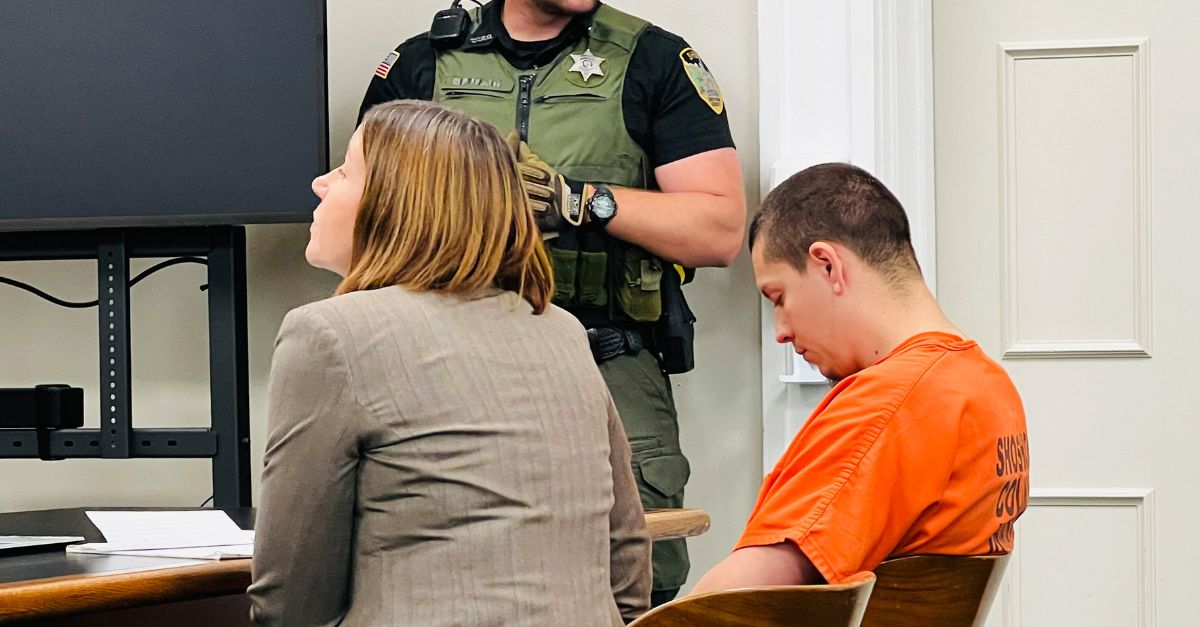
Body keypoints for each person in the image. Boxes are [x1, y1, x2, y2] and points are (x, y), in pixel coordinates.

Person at [360, 0, 745, 603]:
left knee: (639, 577)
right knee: (445, 565)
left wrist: (579, 200)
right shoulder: (422, 64)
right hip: (445, 368)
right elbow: (367, 217)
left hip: (606, 364)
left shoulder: (654, 59)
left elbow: (719, 229)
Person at [248, 100, 651, 626]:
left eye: (345, 171)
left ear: (396, 204)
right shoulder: (561, 328)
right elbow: (626, 560)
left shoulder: (329, 333)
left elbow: (293, 599)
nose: (321, 184)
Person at [692, 163, 1030, 592]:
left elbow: (747, 592)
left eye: (778, 297)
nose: (780, 330)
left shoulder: (891, 401)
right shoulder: (989, 387)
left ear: (827, 266)